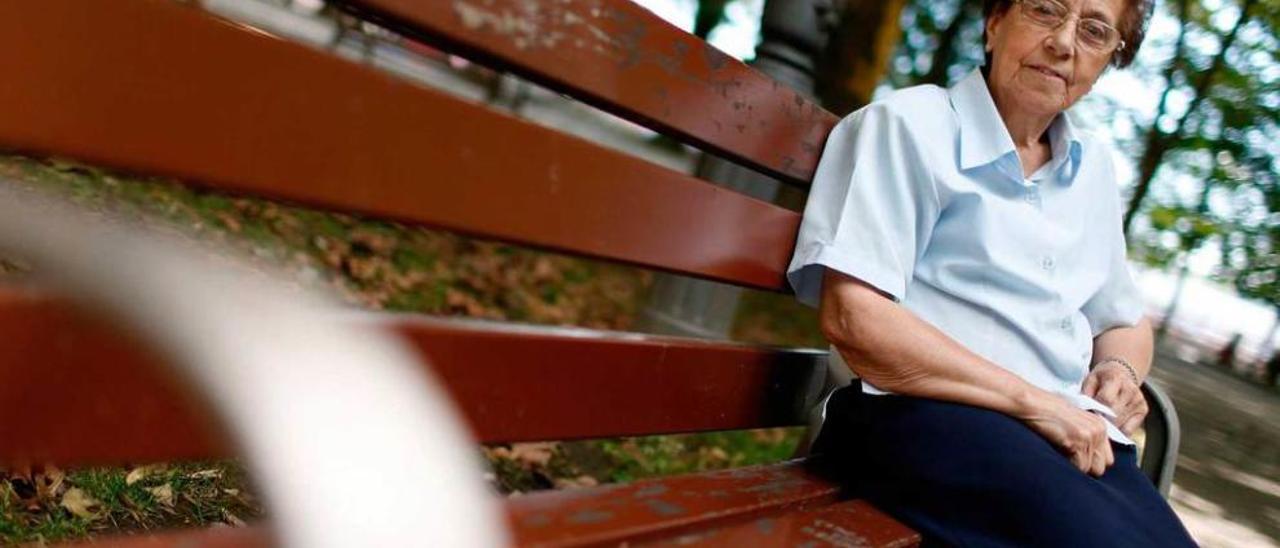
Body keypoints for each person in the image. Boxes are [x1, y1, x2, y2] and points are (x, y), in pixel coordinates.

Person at [786, 0, 1197, 545]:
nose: (1064, 43)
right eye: (1046, 11)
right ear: (995, 21)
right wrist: (1035, 403)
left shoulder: (1091, 168)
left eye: (1095, 31)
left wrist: (1120, 370)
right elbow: (854, 317)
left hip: (1062, 433)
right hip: (920, 415)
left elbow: (1122, 317)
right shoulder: (909, 126)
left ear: (1107, 63)